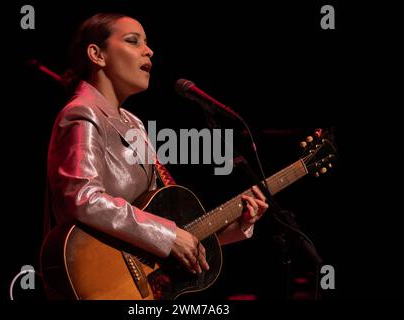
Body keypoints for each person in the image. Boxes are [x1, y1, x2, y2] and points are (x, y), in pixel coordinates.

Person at [44, 12, 268, 294]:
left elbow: (159, 220)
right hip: (96, 275)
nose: (148, 50)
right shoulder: (82, 112)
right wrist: (168, 235)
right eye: (133, 41)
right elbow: (82, 197)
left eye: (146, 43)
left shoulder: (133, 123)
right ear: (96, 54)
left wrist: (235, 224)